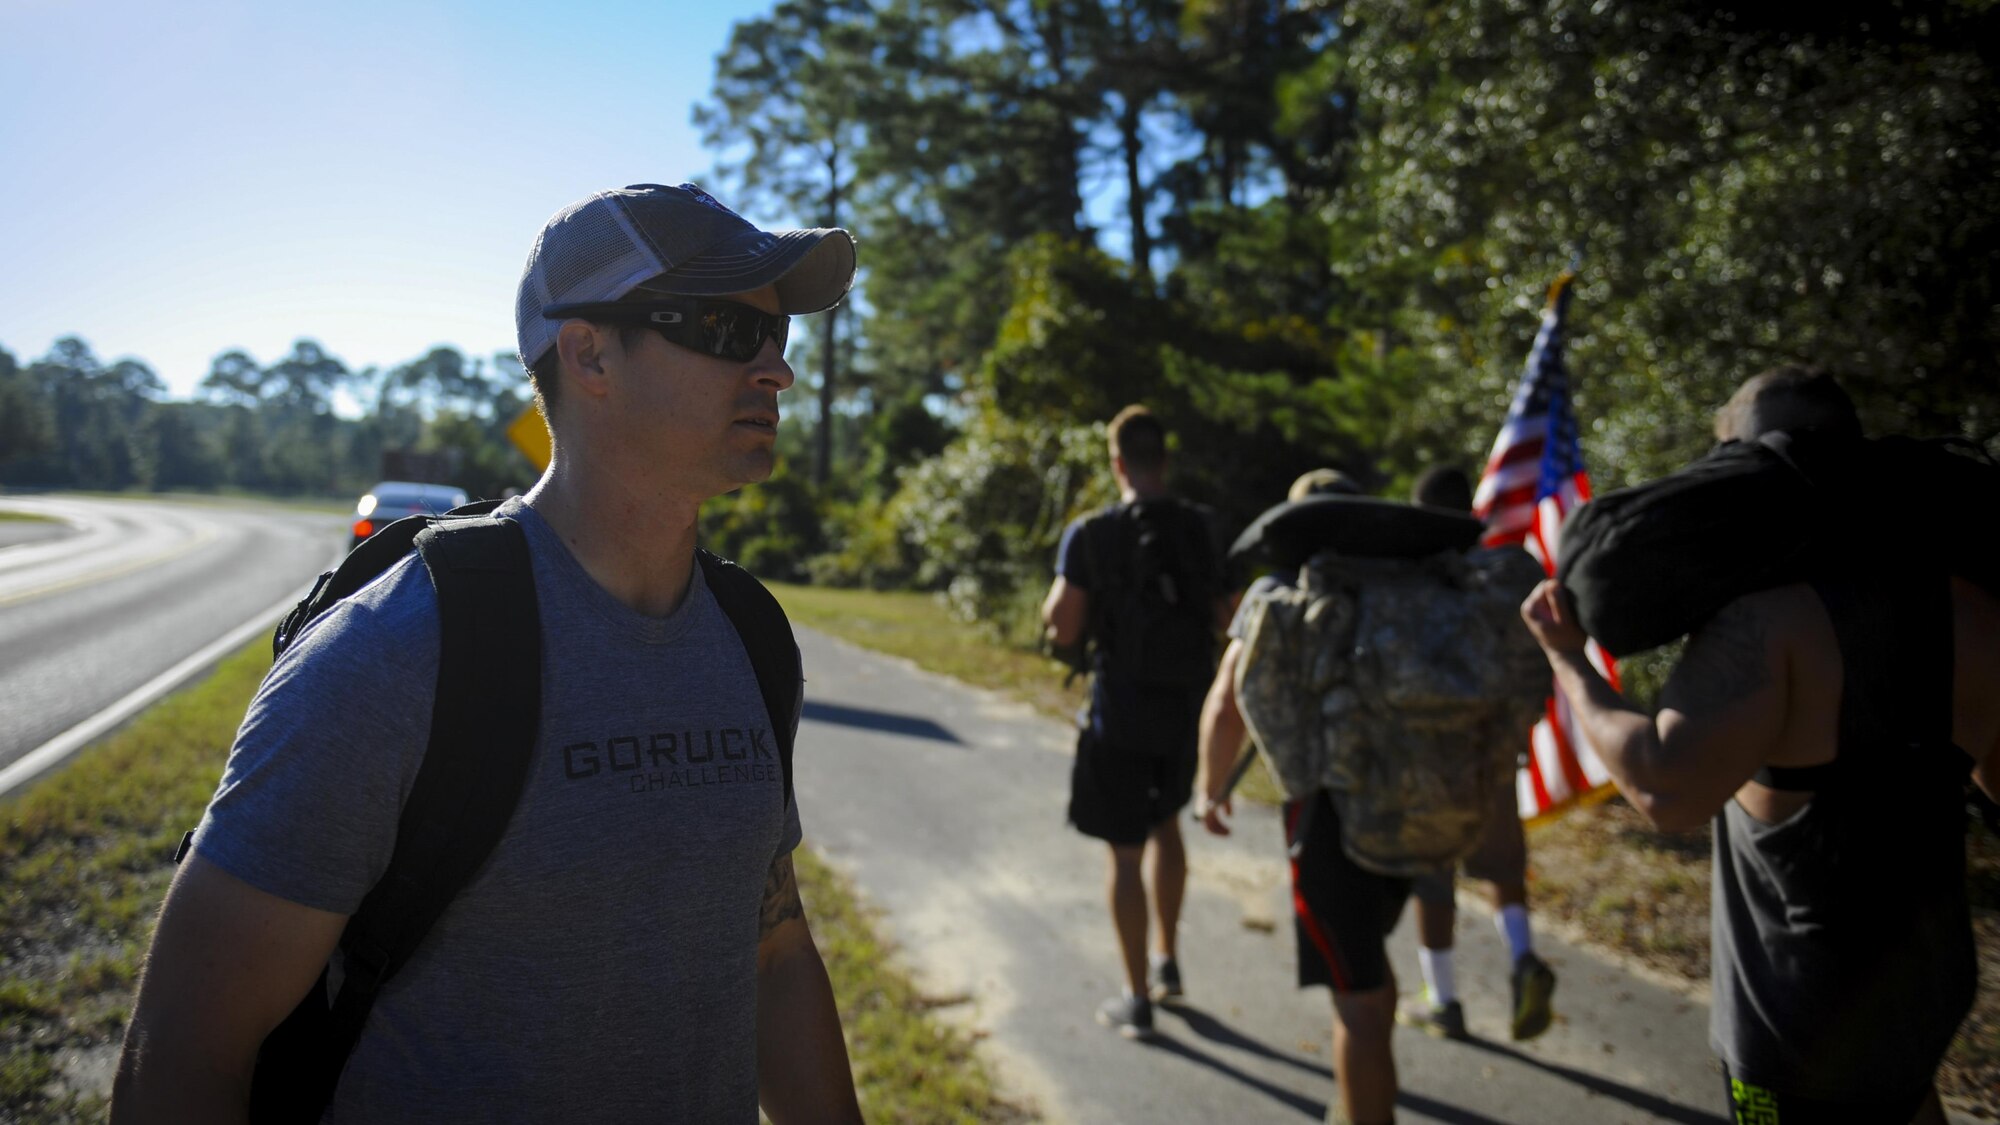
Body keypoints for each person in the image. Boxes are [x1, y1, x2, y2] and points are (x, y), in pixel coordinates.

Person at [112, 183, 865, 1124]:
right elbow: (183, 1047)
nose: (774, 371)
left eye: (776, 336)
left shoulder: (750, 637)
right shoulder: (394, 655)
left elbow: (774, 948)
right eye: (724, 328)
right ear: (588, 352)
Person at [1520, 367, 2000, 1125]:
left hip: (1800, 1025)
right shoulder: (1970, 609)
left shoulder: (1764, 621)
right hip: (1926, 995)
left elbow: (1664, 789)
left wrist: (1568, 661)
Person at [1197, 467, 1415, 1125]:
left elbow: (1225, 705)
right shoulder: (1401, 588)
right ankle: (1362, 1100)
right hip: (1409, 804)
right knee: (1369, 964)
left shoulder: (1274, 594)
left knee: (1355, 1001)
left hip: (1325, 820)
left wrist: (1210, 789)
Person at [1042, 405, 1229, 1040]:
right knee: (1167, 822)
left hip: (1119, 713)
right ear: (1164, 460)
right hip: (1183, 707)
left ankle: (1136, 996)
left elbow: (1064, 625)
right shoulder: (1202, 528)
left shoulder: (1091, 534)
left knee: (1125, 855)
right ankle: (1168, 961)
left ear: (1117, 462)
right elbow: (1228, 619)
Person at [1400, 466, 1556, 1043]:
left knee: (1433, 876)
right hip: (1494, 744)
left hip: (1433, 758)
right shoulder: (1507, 575)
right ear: (1472, 513)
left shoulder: (1416, 581)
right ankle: (1522, 959)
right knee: (1502, 863)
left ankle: (1442, 998)